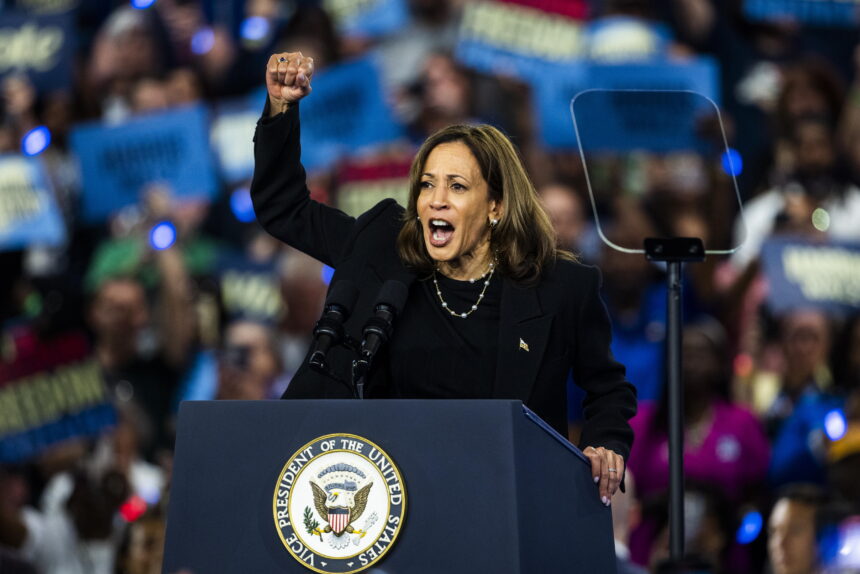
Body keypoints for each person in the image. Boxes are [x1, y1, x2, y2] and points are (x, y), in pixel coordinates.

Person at [251, 52, 637, 503]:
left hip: (505, 496)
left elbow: (608, 388)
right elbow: (285, 209)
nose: (436, 200)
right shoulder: (383, 248)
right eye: (427, 185)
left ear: (495, 206)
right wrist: (281, 107)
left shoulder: (560, 287)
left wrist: (605, 442)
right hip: (390, 497)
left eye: (456, 186)